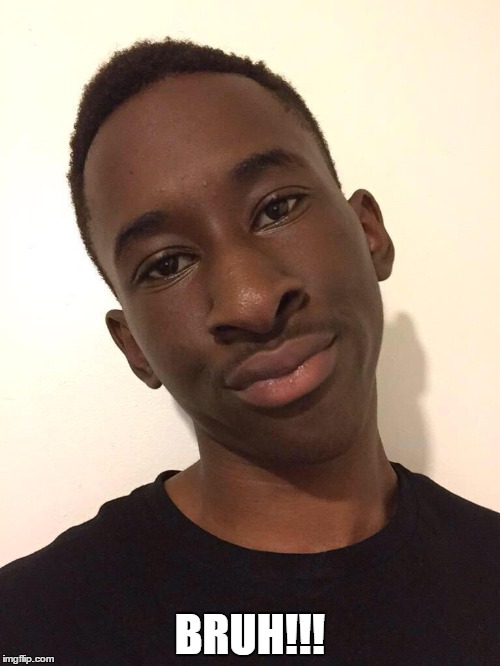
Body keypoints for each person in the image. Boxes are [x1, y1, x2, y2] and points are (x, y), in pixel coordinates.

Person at [0, 38, 498, 664]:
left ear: (369, 232)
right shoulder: (28, 628)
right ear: (135, 348)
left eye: (276, 209)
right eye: (167, 264)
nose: (251, 301)